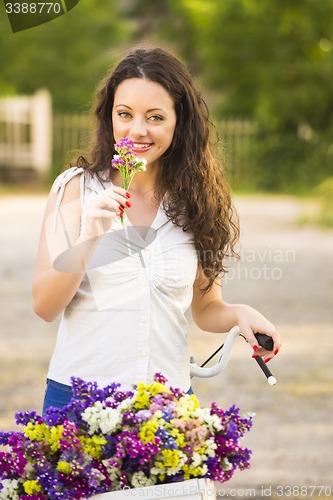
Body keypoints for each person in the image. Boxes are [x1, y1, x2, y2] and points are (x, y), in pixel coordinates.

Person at [32, 46, 281, 413]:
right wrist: (89, 238)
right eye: (125, 114)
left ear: (180, 122)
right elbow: (45, 306)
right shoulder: (76, 189)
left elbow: (206, 306)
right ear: (109, 117)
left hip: (167, 406)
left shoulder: (198, 201)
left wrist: (240, 313)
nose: (137, 130)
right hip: (80, 403)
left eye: (155, 117)